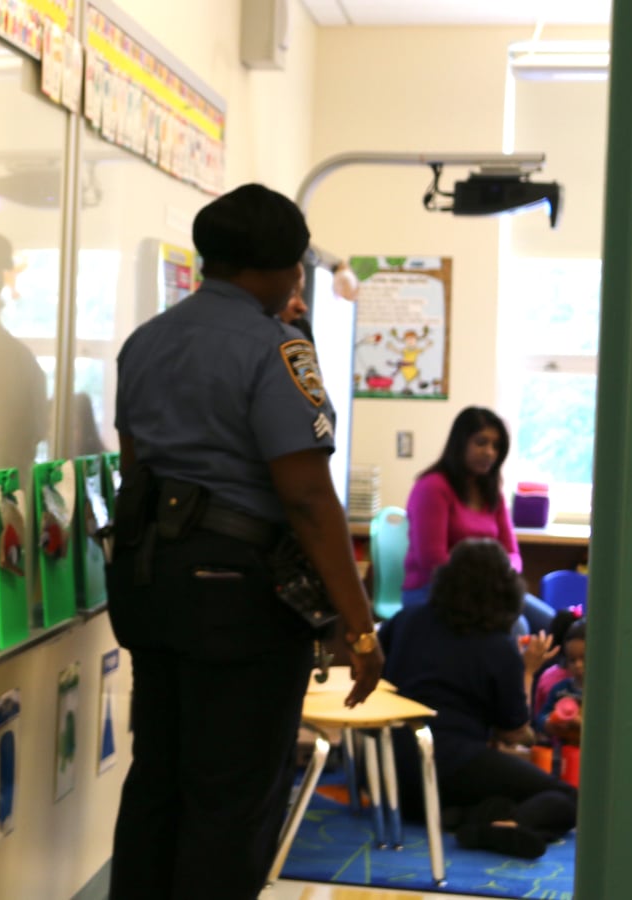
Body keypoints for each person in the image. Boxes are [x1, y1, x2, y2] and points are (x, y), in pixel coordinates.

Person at [106, 183, 382, 900]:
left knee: (158, 781)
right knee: (233, 799)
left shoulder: (146, 341)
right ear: (289, 269)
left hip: (147, 587)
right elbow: (307, 499)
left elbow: (137, 471)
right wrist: (359, 627)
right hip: (237, 603)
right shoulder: (278, 349)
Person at [381, 539, 577, 859]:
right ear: (506, 591)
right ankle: (507, 826)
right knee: (566, 796)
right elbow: (514, 732)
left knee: (497, 791)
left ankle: (467, 816)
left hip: (388, 770)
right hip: (451, 762)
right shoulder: (498, 646)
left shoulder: (407, 618)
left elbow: (381, 670)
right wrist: (528, 671)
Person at [401, 406, 556, 633]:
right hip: (434, 591)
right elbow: (433, 562)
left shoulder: (491, 491)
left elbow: (512, 554)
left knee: (554, 626)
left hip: (489, 590)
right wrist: (487, 585)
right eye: (481, 442)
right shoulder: (432, 487)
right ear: (460, 443)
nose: (490, 452)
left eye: (496, 446)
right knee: (518, 628)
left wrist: (500, 578)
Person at [535, 618, 586, 744]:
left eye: (584, 658)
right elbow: (541, 717)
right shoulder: (560, 690)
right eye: (572, 660)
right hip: (561, 755)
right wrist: (549, 722)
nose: (578, 665)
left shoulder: (603, 694)